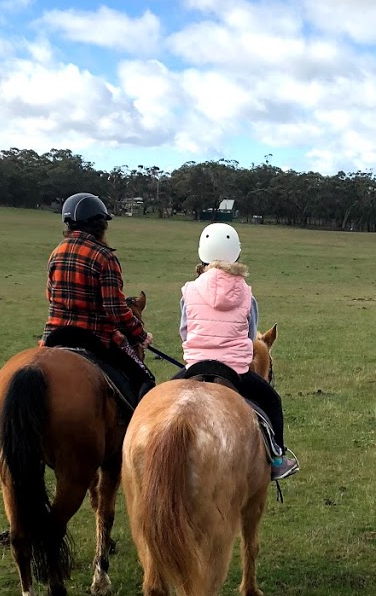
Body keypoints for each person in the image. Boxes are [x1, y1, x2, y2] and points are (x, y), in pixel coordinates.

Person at [179, 223, 299, 482]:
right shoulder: (246, 294)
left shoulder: (189, 290)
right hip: (234, 370)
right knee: (271, 401)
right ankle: (277, 458)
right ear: (236, 254)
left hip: (196, 367)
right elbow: (250, 336)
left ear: (202, 255)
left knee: (157, 402)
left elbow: (184, 331)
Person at [40, 192, 155, 403]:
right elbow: (115, 309)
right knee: (145, 380)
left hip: (53, 336)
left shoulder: (56, 252)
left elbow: (51, 295)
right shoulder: (104, 256)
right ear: (101, 225)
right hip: (94, 338)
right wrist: (140, 335)